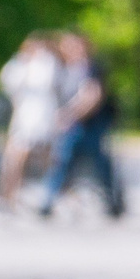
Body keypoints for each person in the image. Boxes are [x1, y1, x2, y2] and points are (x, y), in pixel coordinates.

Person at [37, 33, 125, 219]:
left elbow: (93, 96)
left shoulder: (91, 68)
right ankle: (49, 201)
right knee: (66, 162)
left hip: (87, 124)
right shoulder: (66, 68)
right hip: (72, 124)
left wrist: (70, 115)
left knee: (84, 162)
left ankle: (112, 200)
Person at [0, 33, 63, 206]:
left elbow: (49, 83)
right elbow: (9, 85)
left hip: (42, 115)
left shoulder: (48, 63)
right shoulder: (20, 63)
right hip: (25, 115)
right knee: (16, 155)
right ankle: (9, 195)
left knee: (47, 156)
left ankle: (50, 194)